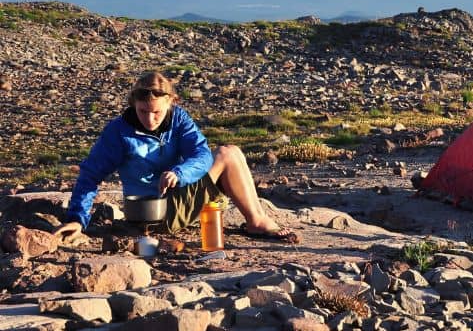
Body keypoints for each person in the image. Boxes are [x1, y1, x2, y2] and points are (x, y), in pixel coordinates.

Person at [54, 71, 299, 244]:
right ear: (133, 104)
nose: (149, 120)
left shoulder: (179, 119)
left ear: (171, 102)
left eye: (157, 112)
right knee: (228, 154)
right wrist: (77, 219)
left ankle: (257, 218)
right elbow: (90, 175)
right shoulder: (118, 131)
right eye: (142, 111)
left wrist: (180, 173)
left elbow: (201, 155)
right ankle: (256, 221)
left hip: (177, 195)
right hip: (152, 213)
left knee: (229, 152)